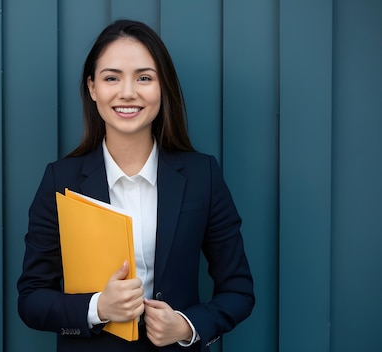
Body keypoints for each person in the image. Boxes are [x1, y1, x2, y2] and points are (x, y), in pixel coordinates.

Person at [17, 19, 254, 352]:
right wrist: (97, 308)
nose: (127, 92)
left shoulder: (203, 175)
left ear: (162, 88)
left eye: (144, 78)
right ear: (92, 88)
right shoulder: (60, 180)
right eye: (111, 77)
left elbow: (239, 291)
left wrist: (187, 326)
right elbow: (31, 299)